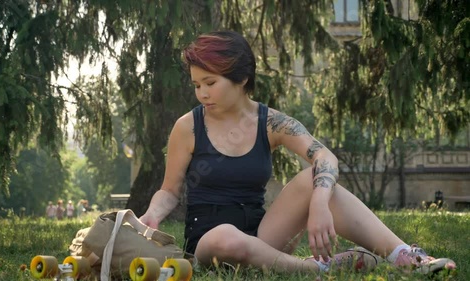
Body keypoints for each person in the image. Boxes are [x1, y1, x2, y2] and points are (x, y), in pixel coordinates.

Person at [139, 30, 456, 275]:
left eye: (210, 82)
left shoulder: (271, 122)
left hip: (262, 236)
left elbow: (325, 157)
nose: (202, 93)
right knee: (225, 237)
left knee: (314, 178)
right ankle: (317, 268)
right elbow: (170, 189)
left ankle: (403, 255)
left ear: (241, 78)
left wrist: (319, 203)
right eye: (196, 85)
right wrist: (154, 213)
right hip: (210, 243)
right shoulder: (188, 126)